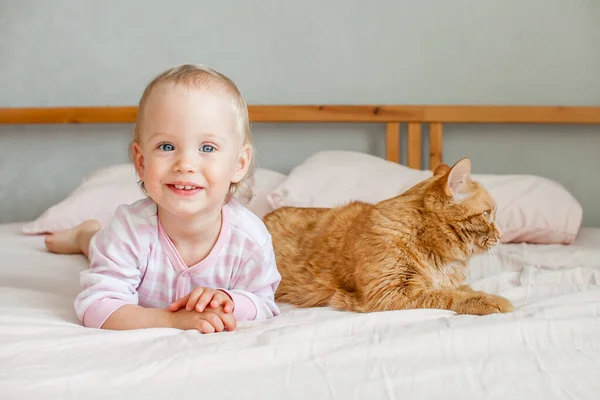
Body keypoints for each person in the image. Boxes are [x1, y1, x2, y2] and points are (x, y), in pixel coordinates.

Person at [45, 64, 281, 333]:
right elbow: (97, 306)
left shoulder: (250, 239)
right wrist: (171, 320)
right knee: (100, 246)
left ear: (239, 163)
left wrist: (230, 302)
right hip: (113, 243)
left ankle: (88, 235)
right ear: (141, 161)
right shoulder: (129, 230)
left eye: (207, 147)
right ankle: (84, 237)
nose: (185, 164)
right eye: (166, 146)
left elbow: (264, 302)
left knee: (103, 245)